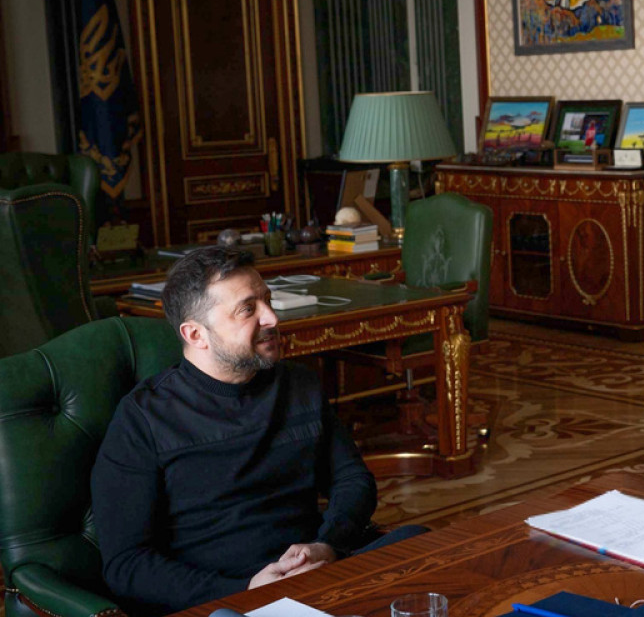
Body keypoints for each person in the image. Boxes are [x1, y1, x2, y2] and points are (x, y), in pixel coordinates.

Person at [91, 247, 417, 616]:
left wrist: (327, 545)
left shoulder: (299, 384)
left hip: (317, 574)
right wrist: (244, 590)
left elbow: (352, 479)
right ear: (195, 334)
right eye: (248, 309)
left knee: (416, 543)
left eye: (268, 300)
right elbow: (127, 564)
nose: (272, 317)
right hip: (224, 598)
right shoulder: (143, 417)